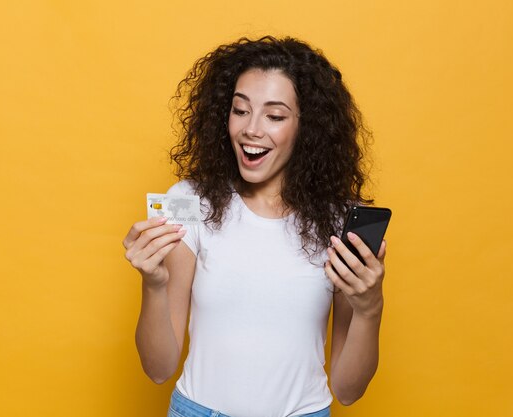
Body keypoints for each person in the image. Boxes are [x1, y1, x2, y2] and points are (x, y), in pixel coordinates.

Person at [122, 36, 387, 417]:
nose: (251, 129)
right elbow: (158, 368)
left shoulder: (339, 219)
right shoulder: (190, 202)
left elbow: (348, 390)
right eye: (240, 110)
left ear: (306, 128)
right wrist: (154, 283)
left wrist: (370, 307)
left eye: (275, 116)